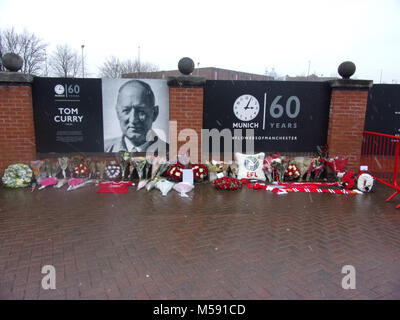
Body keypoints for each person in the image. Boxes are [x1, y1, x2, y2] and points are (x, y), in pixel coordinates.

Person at [104, 80, 168, 154]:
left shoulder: (170, 154)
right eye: (126, 110)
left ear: (155, 113)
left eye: (141, 111)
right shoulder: (105, 150)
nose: (133, 120)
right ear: (118, 113)